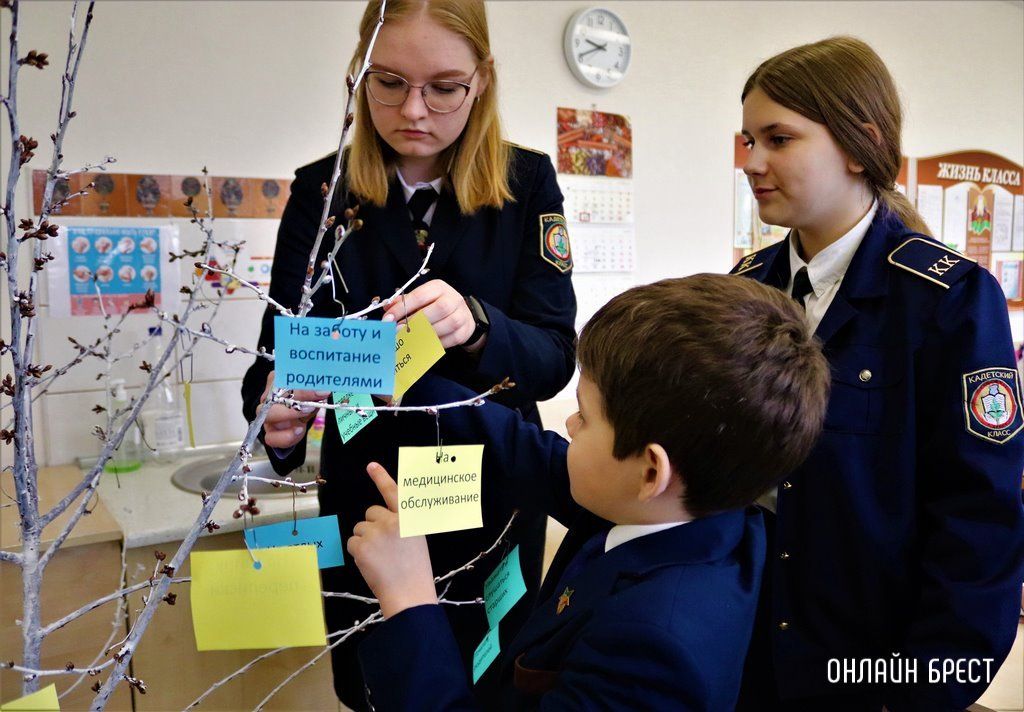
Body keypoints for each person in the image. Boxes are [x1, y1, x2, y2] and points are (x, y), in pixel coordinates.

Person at [239, 1, 576, 706]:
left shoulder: (525, 183)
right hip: (367, 508)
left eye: (443, 87)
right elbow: (276, 358)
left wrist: (479, 326)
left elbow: (552, 358)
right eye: (388, 82)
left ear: (483, 80)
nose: (413, 110)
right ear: (359, 73)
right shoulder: (321, 191)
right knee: (376, 687)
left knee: (492, 683)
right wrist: (276, 415)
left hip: (487, 495)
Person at [347, 275, 831, 710]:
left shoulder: (653, 651)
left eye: (585, 414)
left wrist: (409, 601)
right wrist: (381, 376)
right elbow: (517, 448)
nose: (571, 426)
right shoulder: (688, 506)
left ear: (651, 471)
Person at [731, 36, 1024, 711]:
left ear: (859, 146)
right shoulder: (747, 287)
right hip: (747, 642)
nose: (752, 162)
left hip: (869, 666)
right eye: (749, 140)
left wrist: (919, 689)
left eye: (779, 139)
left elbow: (980, 521)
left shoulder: (946, 299)